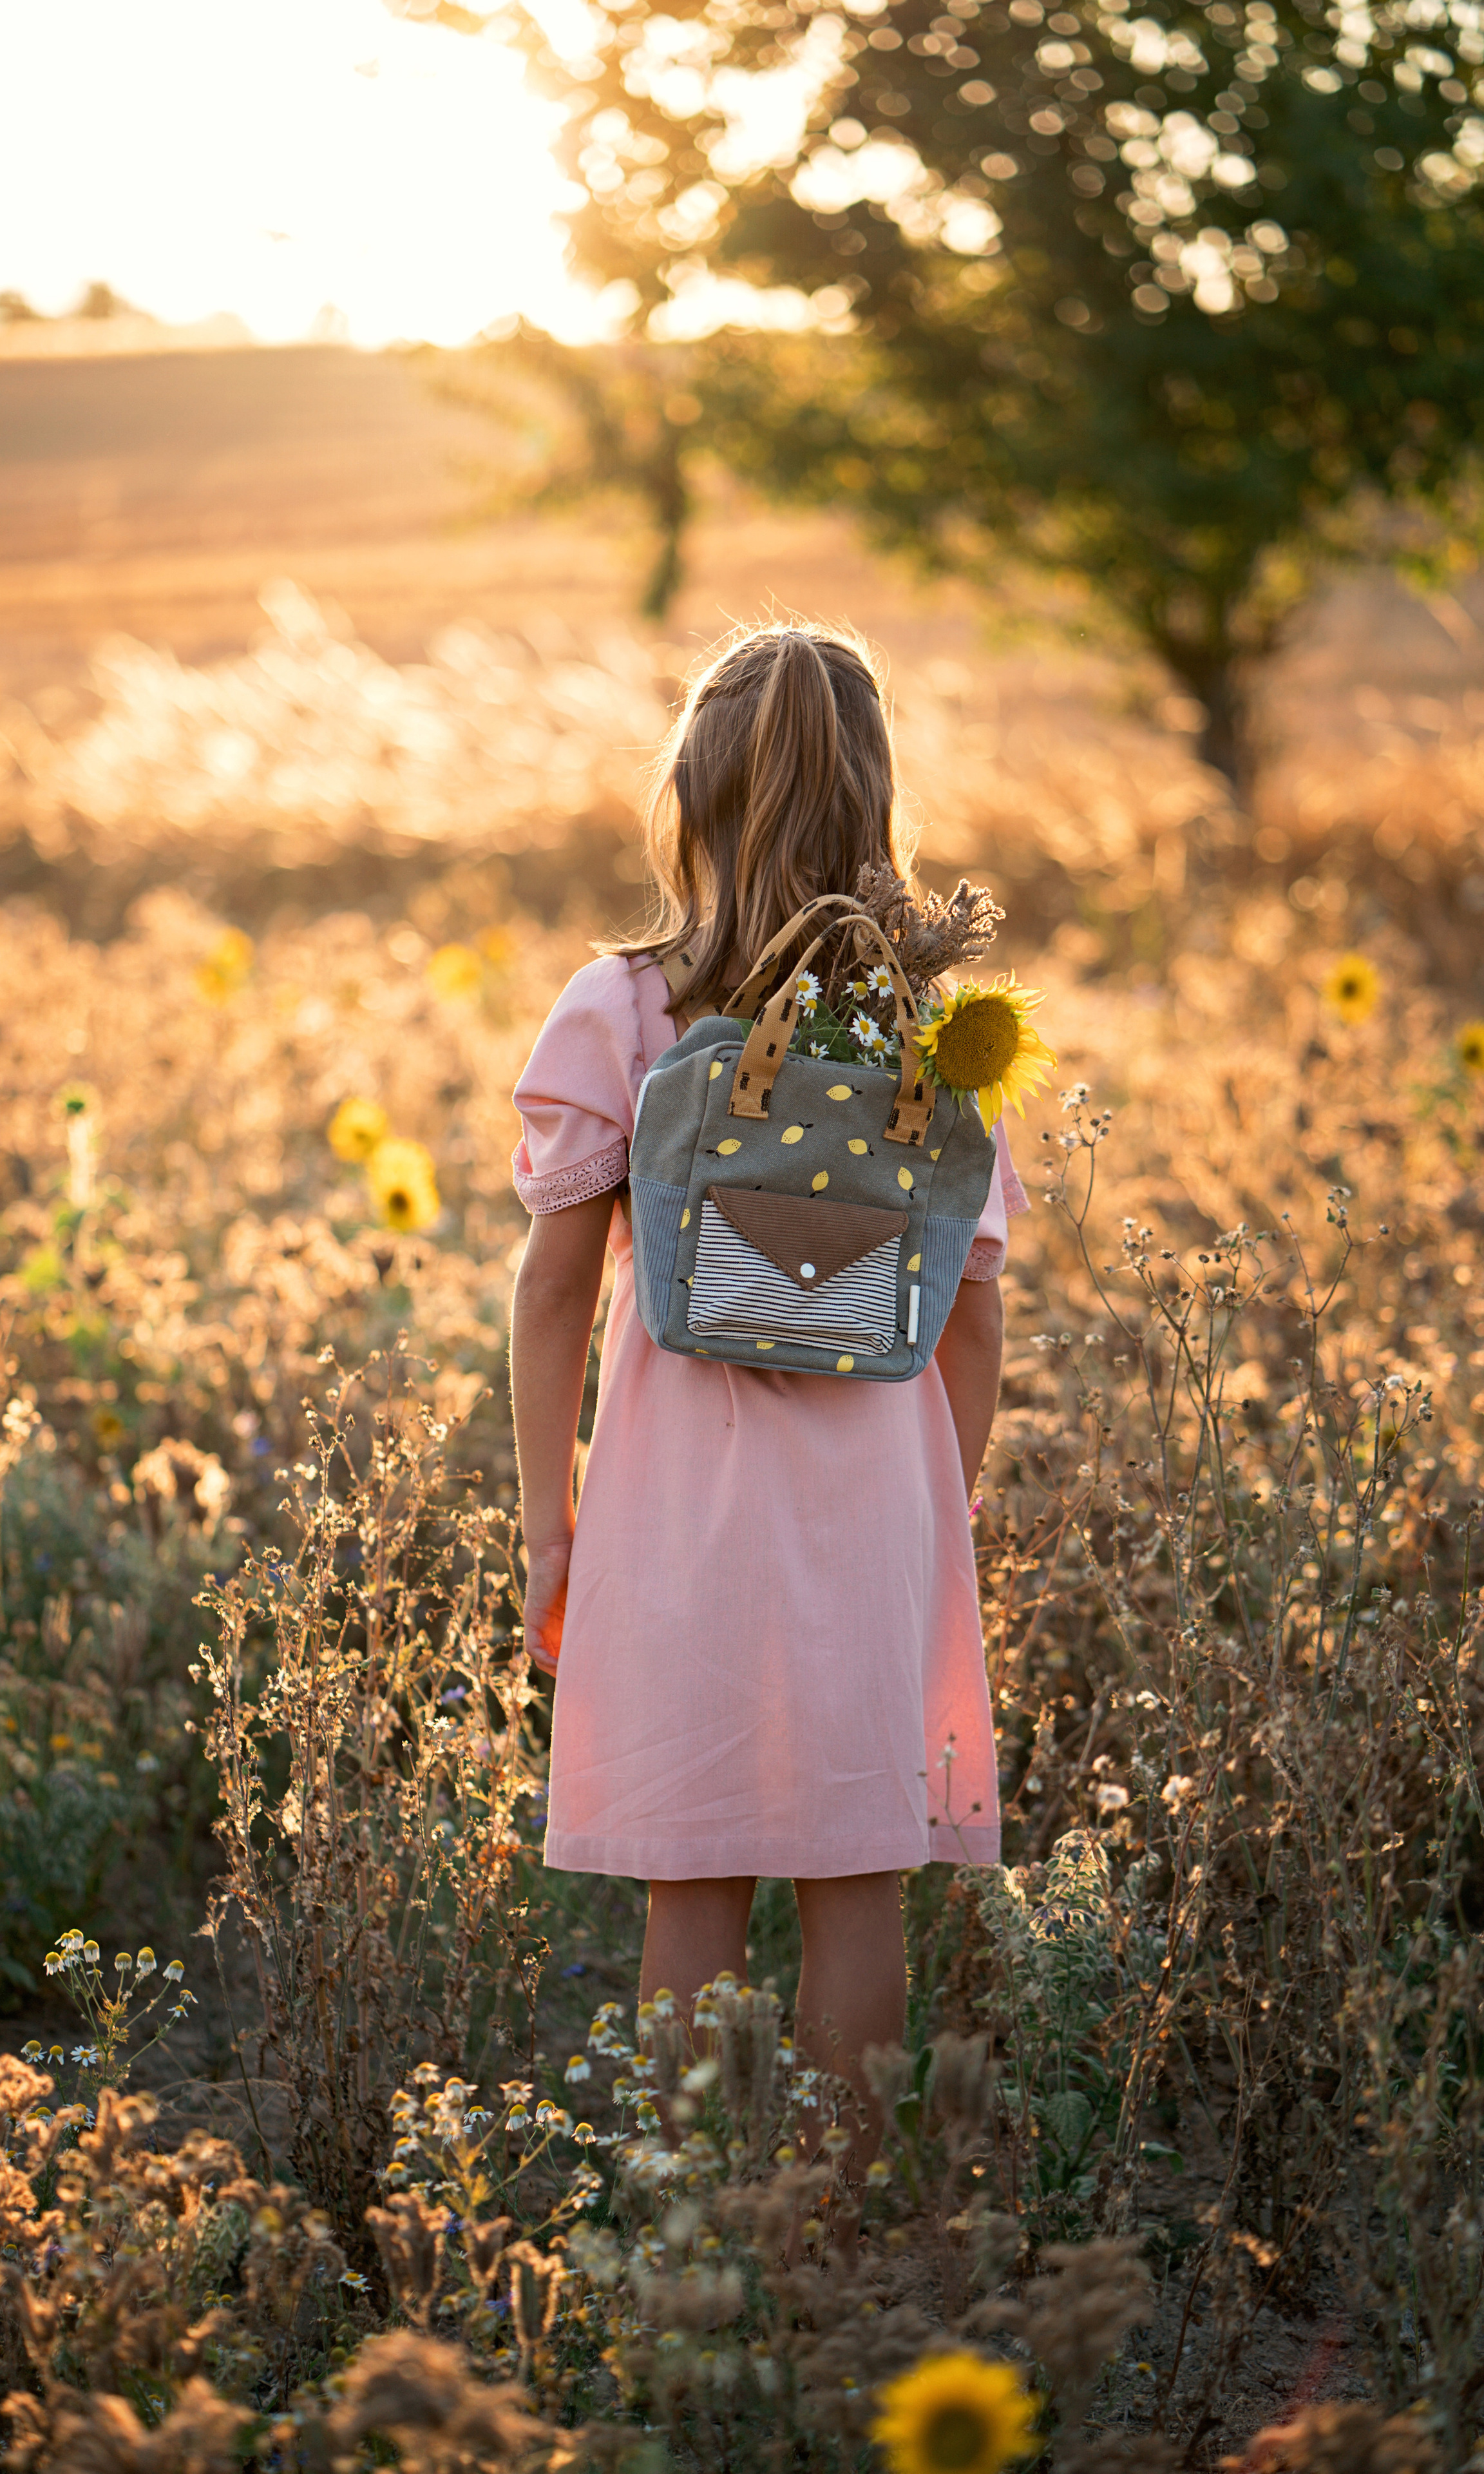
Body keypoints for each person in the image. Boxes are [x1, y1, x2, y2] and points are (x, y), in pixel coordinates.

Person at [506, 623, 1027, 2215]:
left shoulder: (624, 1006)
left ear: (692, 796)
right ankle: (833, 2238)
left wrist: (549, 1519)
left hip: (672, 1513)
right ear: (878, 800)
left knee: (693, 1877)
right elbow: (975, 1311)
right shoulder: (939, 1045)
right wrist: (950, 1504)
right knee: (856, 1882)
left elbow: (548, 1293)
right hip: (874, 1506)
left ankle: (692, 2227)